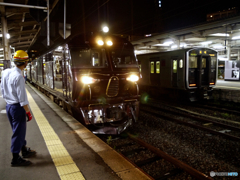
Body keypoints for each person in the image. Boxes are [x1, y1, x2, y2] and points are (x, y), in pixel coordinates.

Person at [0, 50, 36, 166]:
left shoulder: (5, 72)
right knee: (18, 133)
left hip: (9, 106)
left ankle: (24, 150)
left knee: (18, 131)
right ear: (25, 63)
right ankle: (15, 159)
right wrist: (28, 112)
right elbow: (23, 99)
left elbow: (2, 89)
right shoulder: (19, 77)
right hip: (17, 108)